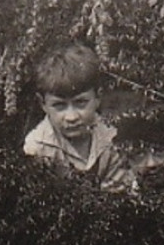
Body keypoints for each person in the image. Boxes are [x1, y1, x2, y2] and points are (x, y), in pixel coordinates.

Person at [22, 41, 135, 193]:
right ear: (43, 104)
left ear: (97, 98)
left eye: (80, 103)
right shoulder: (38, 147)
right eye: (59, 106)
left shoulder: (111, 137)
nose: (71, 117)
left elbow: (120, 193)